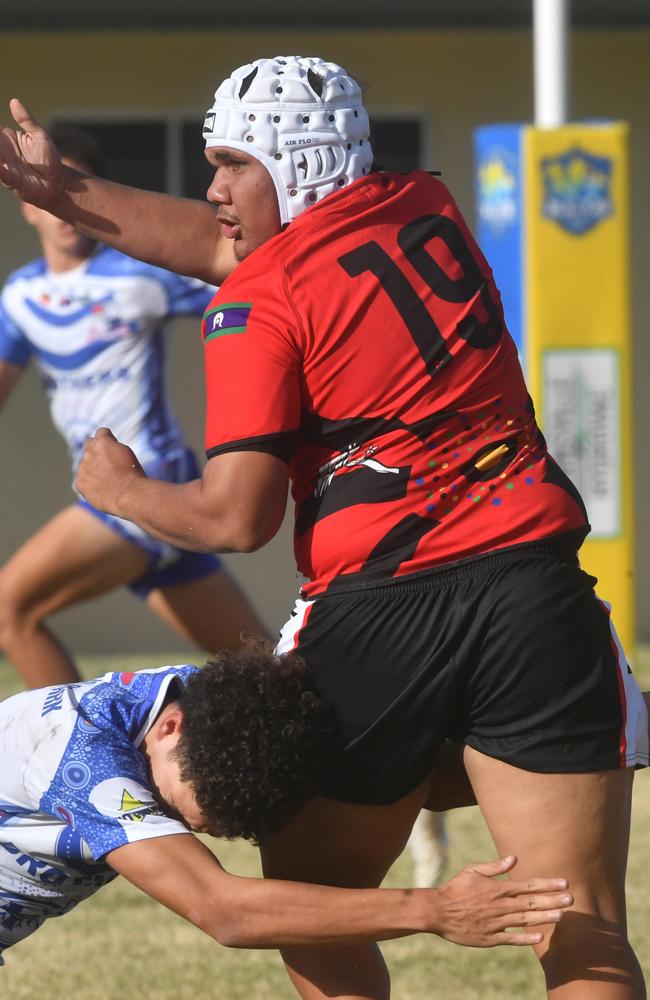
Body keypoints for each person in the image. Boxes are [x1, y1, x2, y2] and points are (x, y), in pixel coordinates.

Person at [0, 56, 647, 999]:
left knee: (313, 909)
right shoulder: (427, 206)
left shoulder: (258, 303)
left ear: (293, 165)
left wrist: (122, 488)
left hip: (381, 609)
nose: (211, 187)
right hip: (536, 590)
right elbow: (232, 244)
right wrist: (64, 187)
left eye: (230, 164)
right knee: (580, 925)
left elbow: (234, 517)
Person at [0, 640, 573, 966]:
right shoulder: (79, 760)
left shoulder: (226, 711)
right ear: (169, 728)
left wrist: (598, 748)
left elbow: (410, 777)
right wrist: (436, 910)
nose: (171, 832)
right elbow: (224, 911)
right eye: (173, 809)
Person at [0, 126, 265, 689]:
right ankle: (344, 766)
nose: (61, 210)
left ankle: (79, 761)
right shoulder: (20, 297)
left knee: (8, 611)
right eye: (45, 194)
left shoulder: (136, 272)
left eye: (70, 189)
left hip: (149, 479)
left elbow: (252, 290)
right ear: (27, 206)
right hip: (114, 497)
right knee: (261, 667)